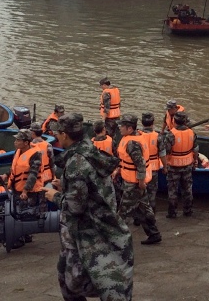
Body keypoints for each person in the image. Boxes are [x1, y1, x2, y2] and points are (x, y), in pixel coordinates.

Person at [44, 114, 134, 300]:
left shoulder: (76, 163)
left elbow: (75, 207)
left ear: (64, 135)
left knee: (71, 281)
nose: (57, 137)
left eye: (58, 133)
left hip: (86, 232)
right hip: (104, 224)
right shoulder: (91, 151)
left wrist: (56, 196)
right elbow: (92, 185)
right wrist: (66, 186)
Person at [112, 114, 162, 245]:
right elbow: (127, 160)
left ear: (129, 129)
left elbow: (140, 165)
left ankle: (116, 239)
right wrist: (118, 170)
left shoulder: (132, 143)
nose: (119, 128)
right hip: (133, 181)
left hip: (133, 184)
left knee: (123, 212)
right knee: (143, 209)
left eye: (122, 126)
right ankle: (154, 234)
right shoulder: (134, 137)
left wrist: (141, 182)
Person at [0, 129, 45, 248]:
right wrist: (5, 175)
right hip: (17, 188)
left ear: (26, 142)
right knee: (18, 212)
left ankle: (22, 237)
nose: (15, 142)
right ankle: (25, 236)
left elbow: (33, 174)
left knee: (25, 214)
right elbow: (15, 168)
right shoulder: (18, 152)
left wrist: (25, 191)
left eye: (18, 140)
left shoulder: (35, 154)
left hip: (29, 191)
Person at [162, 111, 198, 218]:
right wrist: (195, 160)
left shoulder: (170, 135)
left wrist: (165, 166)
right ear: (185, 121)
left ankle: (172, 213)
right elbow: (195, 149)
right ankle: (188, 211)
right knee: (187, 189)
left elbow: (166, 151)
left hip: (174, 166)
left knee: (172, 191)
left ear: (174, 121)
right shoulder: (192, 133)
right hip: (187, 165)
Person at [139, 112, 165, 212]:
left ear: (142, 123)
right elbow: (162, 154)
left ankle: (140, 215)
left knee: (140, 193)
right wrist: (166, 167)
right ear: (153, 123)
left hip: (140, 169)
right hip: (153, 169)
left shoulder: (137, 136)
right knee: (152, 193)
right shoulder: (158, 136)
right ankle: (152, 213)